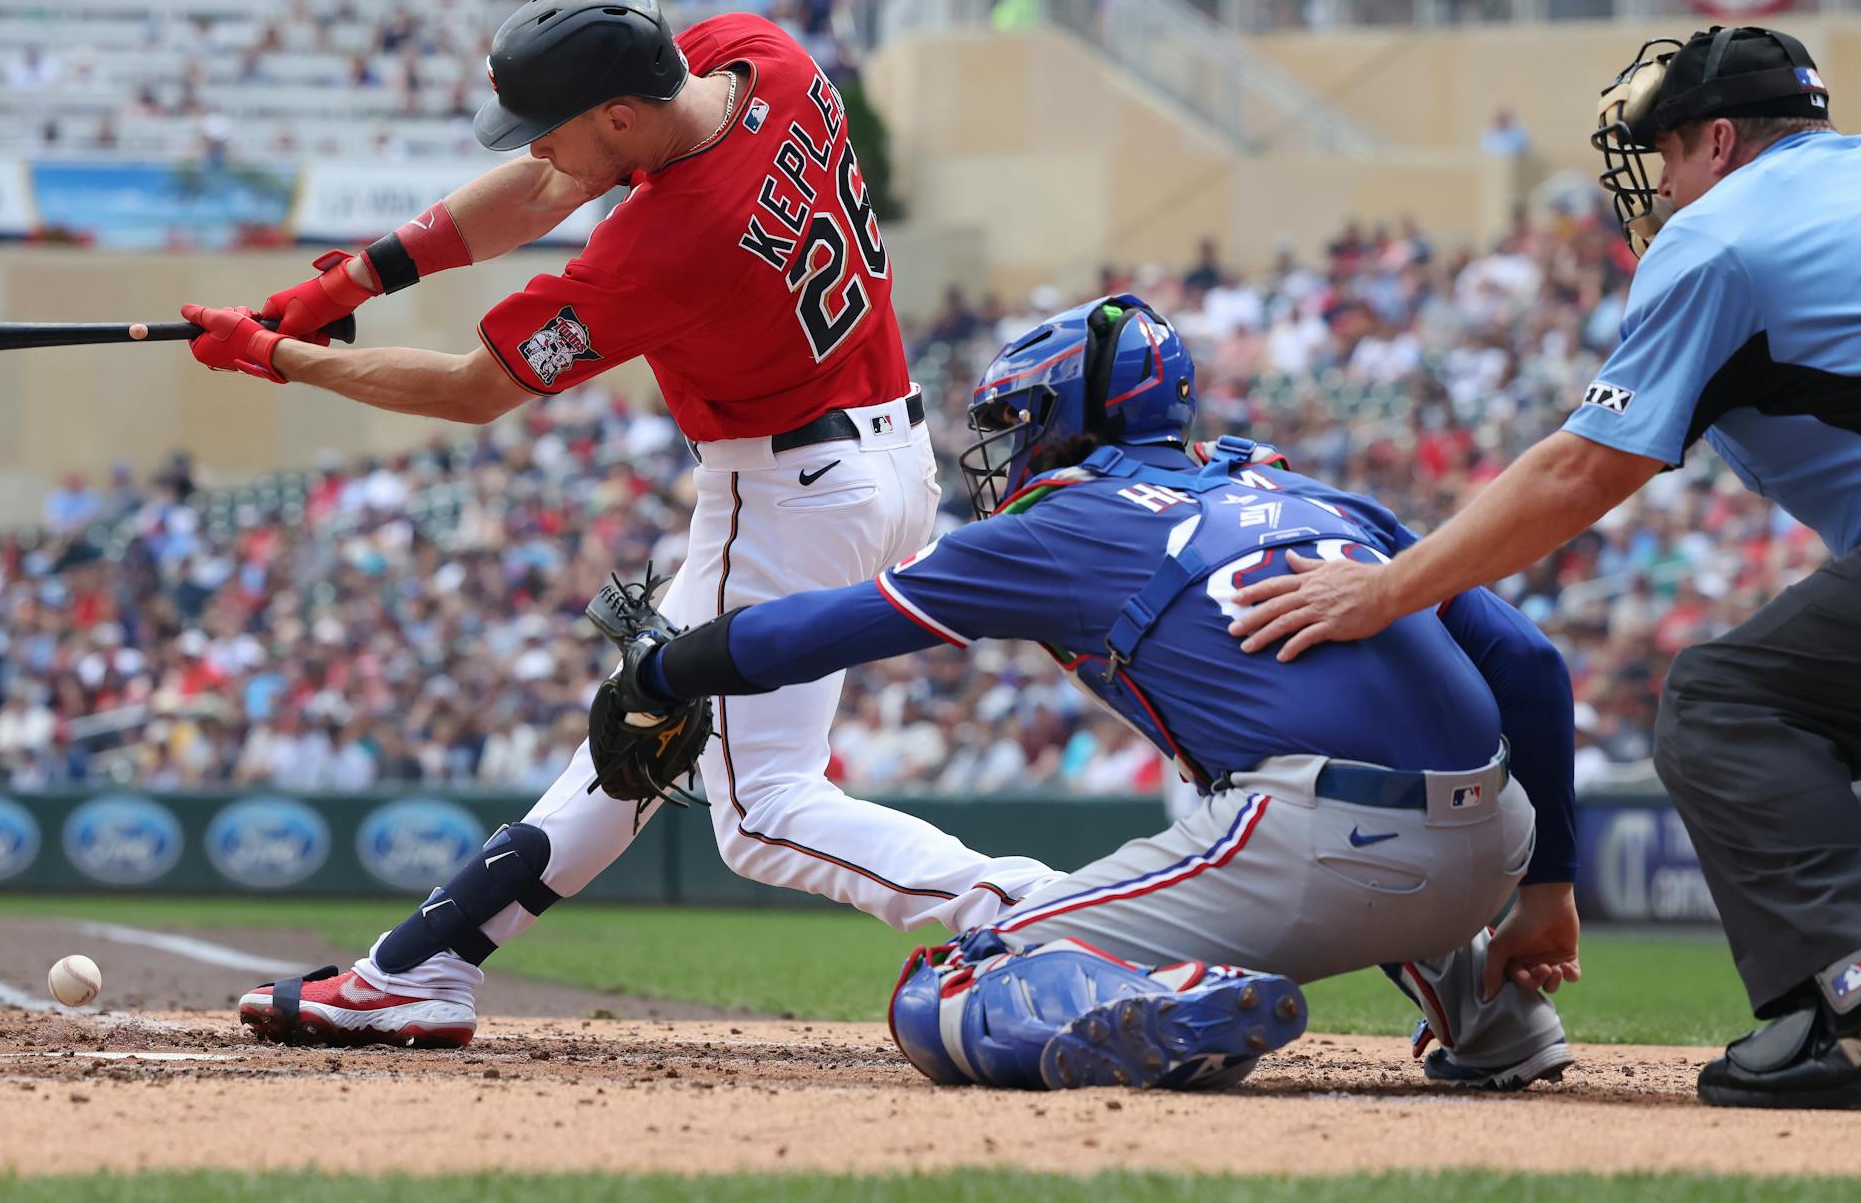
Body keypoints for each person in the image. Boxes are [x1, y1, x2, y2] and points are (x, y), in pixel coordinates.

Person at [186, 0, 1054, 1048]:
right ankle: (426, 964)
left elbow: (474, 389)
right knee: (643, 731)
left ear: (619, 116)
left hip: (785, 496)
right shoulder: (759, 57)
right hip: (881, 457)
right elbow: (543, 189)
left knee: (763, 808)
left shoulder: (669, 239)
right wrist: (352, 279)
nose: (538, 150)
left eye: (551, 130)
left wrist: (286, 357)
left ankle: (1037, 909)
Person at [593, 295, 1580, 1091]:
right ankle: (1501, 1019)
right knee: (1349, 803)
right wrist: (1548, 888)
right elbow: (1530, 664)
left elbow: (826, 626)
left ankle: (1186, 1000)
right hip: (1493, 847)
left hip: (1319, 848)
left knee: (958, 980)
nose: (1004, 450)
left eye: (1014, 423)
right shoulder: (1313, 493)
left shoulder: (1062, 523)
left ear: (1060, 419)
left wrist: (664, 668)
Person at [1227, 26, 1861, 1110]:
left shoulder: (1717, 236)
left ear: (1717, 138)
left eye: (1666, 153)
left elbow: (1579, 473)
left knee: (1729, 703)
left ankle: (1846, 1013)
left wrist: (1386, 587)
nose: (1659, 182)